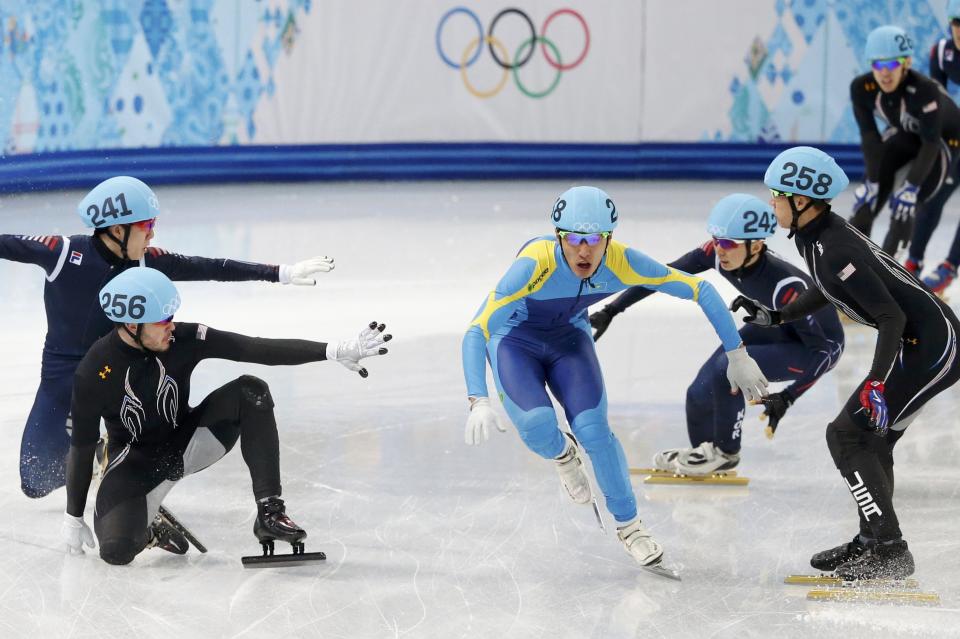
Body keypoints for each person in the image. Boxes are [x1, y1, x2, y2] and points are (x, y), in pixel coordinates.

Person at [460, 185, 769, 569]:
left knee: (594, 429)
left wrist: (736, 353)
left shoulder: (623, 261)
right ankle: (562, 454)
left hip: (569, 342)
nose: (584, 250)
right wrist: (478, 398)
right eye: (574, 239)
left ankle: (631, 527)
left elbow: (700, 289)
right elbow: (476, 330)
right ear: (559, 237)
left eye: (595, 239)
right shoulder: (534, 264)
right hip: (514, 341)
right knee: (538, 427)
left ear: (609, 238)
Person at [0, 176, 334, 498]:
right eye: (146, 226)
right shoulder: (62, 252)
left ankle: (131, 489)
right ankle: (100, 458)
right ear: (118, 229)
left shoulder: (148, 260)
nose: (153, 234)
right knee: (35, 481)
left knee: (144, 439)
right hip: (64, 371)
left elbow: (211, 268)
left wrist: (280, 273)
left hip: (122, 367)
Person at [732, 146, 960, 579]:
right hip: (923, 341)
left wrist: (876, 381)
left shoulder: (833, 244)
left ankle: (890, 550)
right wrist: (779, 316)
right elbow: (827, 286)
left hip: (934, 347)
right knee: (871, 440)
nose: (771, 203)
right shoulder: (816, 235)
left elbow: (892, 315)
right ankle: (876, 540)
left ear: (801, 201)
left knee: (845, 435)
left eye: (776, 195)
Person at [59, 267, 391, 564]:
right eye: (163, 321)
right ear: (132, 323)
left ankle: (270, 512)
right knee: (116, 552)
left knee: (251, 390)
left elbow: (253, 347)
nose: (172, 327)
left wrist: (332, 351)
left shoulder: (184, 338)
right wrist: (73, 516)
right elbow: (82, 445)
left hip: (185, 444)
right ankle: (149, 527)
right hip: (133, 466)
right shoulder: (95, 369)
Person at [590, 194, 844, 474]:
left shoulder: (785, 285)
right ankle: (706, 453)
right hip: (778, 326)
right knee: (700, 389)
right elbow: (660, 276)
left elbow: (823, 352)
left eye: (727, 243)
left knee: (729, 369)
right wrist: (612, 310)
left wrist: (787, 397)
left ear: (756, 245)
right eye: (715, 239)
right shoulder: (714, 253)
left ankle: (726, 453)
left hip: (815, 347)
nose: (718, 249)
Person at [847, 25, 960, 265]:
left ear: (906, 63)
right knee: (868, 198)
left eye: (891, 65)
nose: (884, 74)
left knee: (905, 204)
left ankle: (892, 273)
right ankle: (853, 268)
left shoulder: (924, 90)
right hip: (907, 134)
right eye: (878, 65)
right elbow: (870, 136)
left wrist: (911, 186)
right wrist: (872, 181)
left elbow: (930, 144)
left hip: (943, 141)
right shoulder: (861, 88)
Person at [905, 2, 960, 293]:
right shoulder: (941, 51)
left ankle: (950, 266)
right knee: (931, 197)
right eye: (957, 23)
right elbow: (937, 101)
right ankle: (914, 262)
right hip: (954, 137)